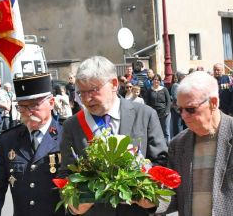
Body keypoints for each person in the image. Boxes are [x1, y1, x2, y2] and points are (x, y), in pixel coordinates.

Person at [156, 71, 233, 215]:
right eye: (180, 109)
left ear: (213, 103)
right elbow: (173, 193)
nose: (183, 115)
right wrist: (150, 201)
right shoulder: (178, 144)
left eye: (190, 109)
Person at [60, 56, 168, 215]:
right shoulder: (72, 125)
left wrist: (150, 196)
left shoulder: (145, 115)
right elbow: (66, 174)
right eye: (81, 93)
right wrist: (72, 205)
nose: (86, 99)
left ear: (114, 84)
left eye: (93, 90)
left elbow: (161, 162)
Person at [0, 73, 65, 216]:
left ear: (51, 103)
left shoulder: (66, 137)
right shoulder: (9, 140)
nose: (27, 112)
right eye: (22, 107)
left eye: (33, 105)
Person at [143, 74, 172, 141]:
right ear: (152, 81)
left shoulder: (164, 89)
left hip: (165, 113)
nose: (156, 81)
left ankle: (168, 147)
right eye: (154, 79)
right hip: (154, 114)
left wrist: (167, 111)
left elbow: (168, 101)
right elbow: (147, 102)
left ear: (160, 81)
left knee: (166, 131)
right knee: (156, 131)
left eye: (157, 80)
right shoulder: (149, 90)